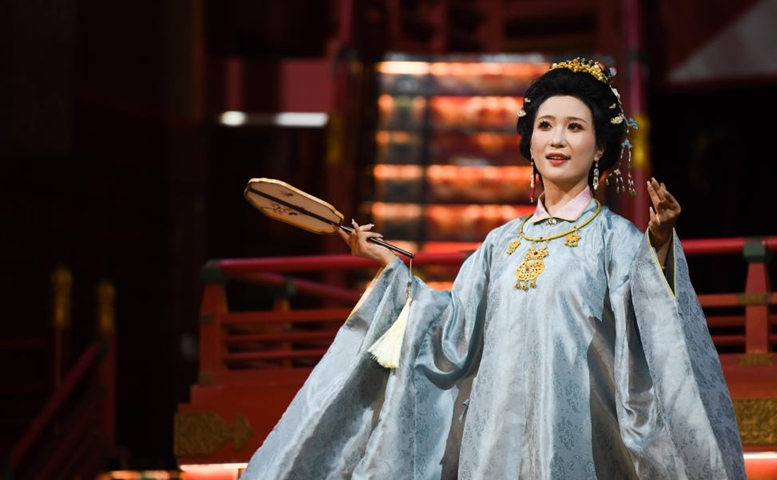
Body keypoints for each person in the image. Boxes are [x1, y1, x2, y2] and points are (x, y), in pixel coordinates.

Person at [239, 58, 746, 479]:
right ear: (529, 143)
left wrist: (658, 245)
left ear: (599, 148)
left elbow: (654, 341)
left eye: (575, 127)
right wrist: (392, 270)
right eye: (545, 126)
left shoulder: (616, 240)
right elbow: (450, 336)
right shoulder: (500, 244)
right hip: (493, 446)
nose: (558, 139)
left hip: (582, 443)